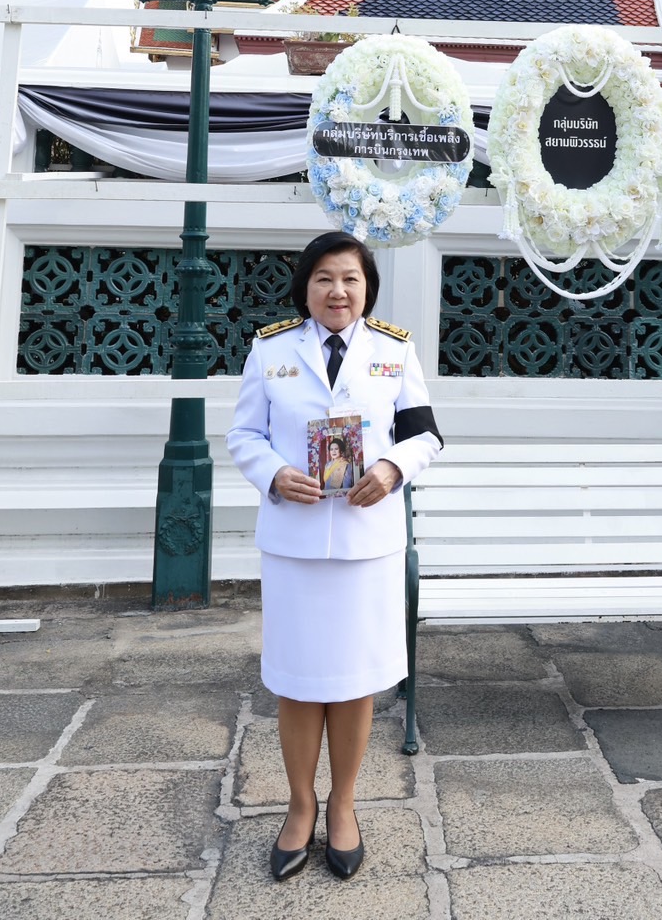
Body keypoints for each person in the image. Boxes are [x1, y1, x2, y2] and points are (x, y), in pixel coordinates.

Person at [226, 231, 442, 882]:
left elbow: (426, 431)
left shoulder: (393, 350)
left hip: (364, 545)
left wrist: (392, 467)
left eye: (349, 277)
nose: (337, 290)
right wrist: (271, 472)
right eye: (324, 277)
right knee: (297, 682)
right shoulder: (271, 348)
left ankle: (343, 806)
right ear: (306, 286)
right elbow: (243, 432)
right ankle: (299, 805)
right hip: (294, 544)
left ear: (366, 286)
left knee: (352, 684)